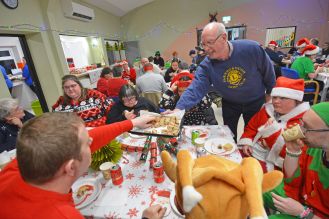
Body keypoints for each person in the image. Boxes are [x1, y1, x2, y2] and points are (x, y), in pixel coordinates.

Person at [0, 112, 166, 218]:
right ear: (71, 167)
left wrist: (133, 123)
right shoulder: (62, 215)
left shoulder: (22, 162)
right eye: (87, 143)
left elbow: (91, 136)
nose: (92, 141)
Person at [168, 22, 275, 141]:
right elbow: (195, 89)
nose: (206, 48)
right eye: (203, 44)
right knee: (229, 136)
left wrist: (270, 95)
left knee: (252, 137)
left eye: (210, 42)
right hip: (230, 103)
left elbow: (268, 72)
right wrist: (178, 110)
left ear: (224, 38)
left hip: (255, 101)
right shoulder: (206, 65)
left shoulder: (251, 49)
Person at [263, 102, 329, 218]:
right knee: (254, 185)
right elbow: (292, 180)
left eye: (307, 128)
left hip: (313, 214)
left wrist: (303, 213)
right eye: (301, 124)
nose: (301, 132)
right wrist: (292, 151)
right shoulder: (315, 148)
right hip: (302, 198)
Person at [238, 77, 310, 172]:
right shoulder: (268, 110)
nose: (276, 101)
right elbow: (251, 127)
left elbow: (293, 153)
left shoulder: (301, 123)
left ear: (296, 101)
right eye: (274, 97)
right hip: (251, 151)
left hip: (272, 164)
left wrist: (271, 131)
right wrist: (247, 142)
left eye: (283, 98)